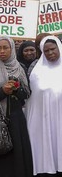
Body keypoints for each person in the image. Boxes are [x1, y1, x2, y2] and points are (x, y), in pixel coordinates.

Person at [0, 36, 33, 177]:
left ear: (12, 48)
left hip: (16, 120)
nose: (2, 51)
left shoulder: (20, 68)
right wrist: (2, 92)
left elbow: (27, 95)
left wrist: (16, 88)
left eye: (6, 47)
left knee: (17, 160)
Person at [24, 35, 62, 177]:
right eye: (46, 51)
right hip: (43, 121)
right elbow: (33, 101)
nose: (50, 53)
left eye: (53, 49)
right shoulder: (36, 73)